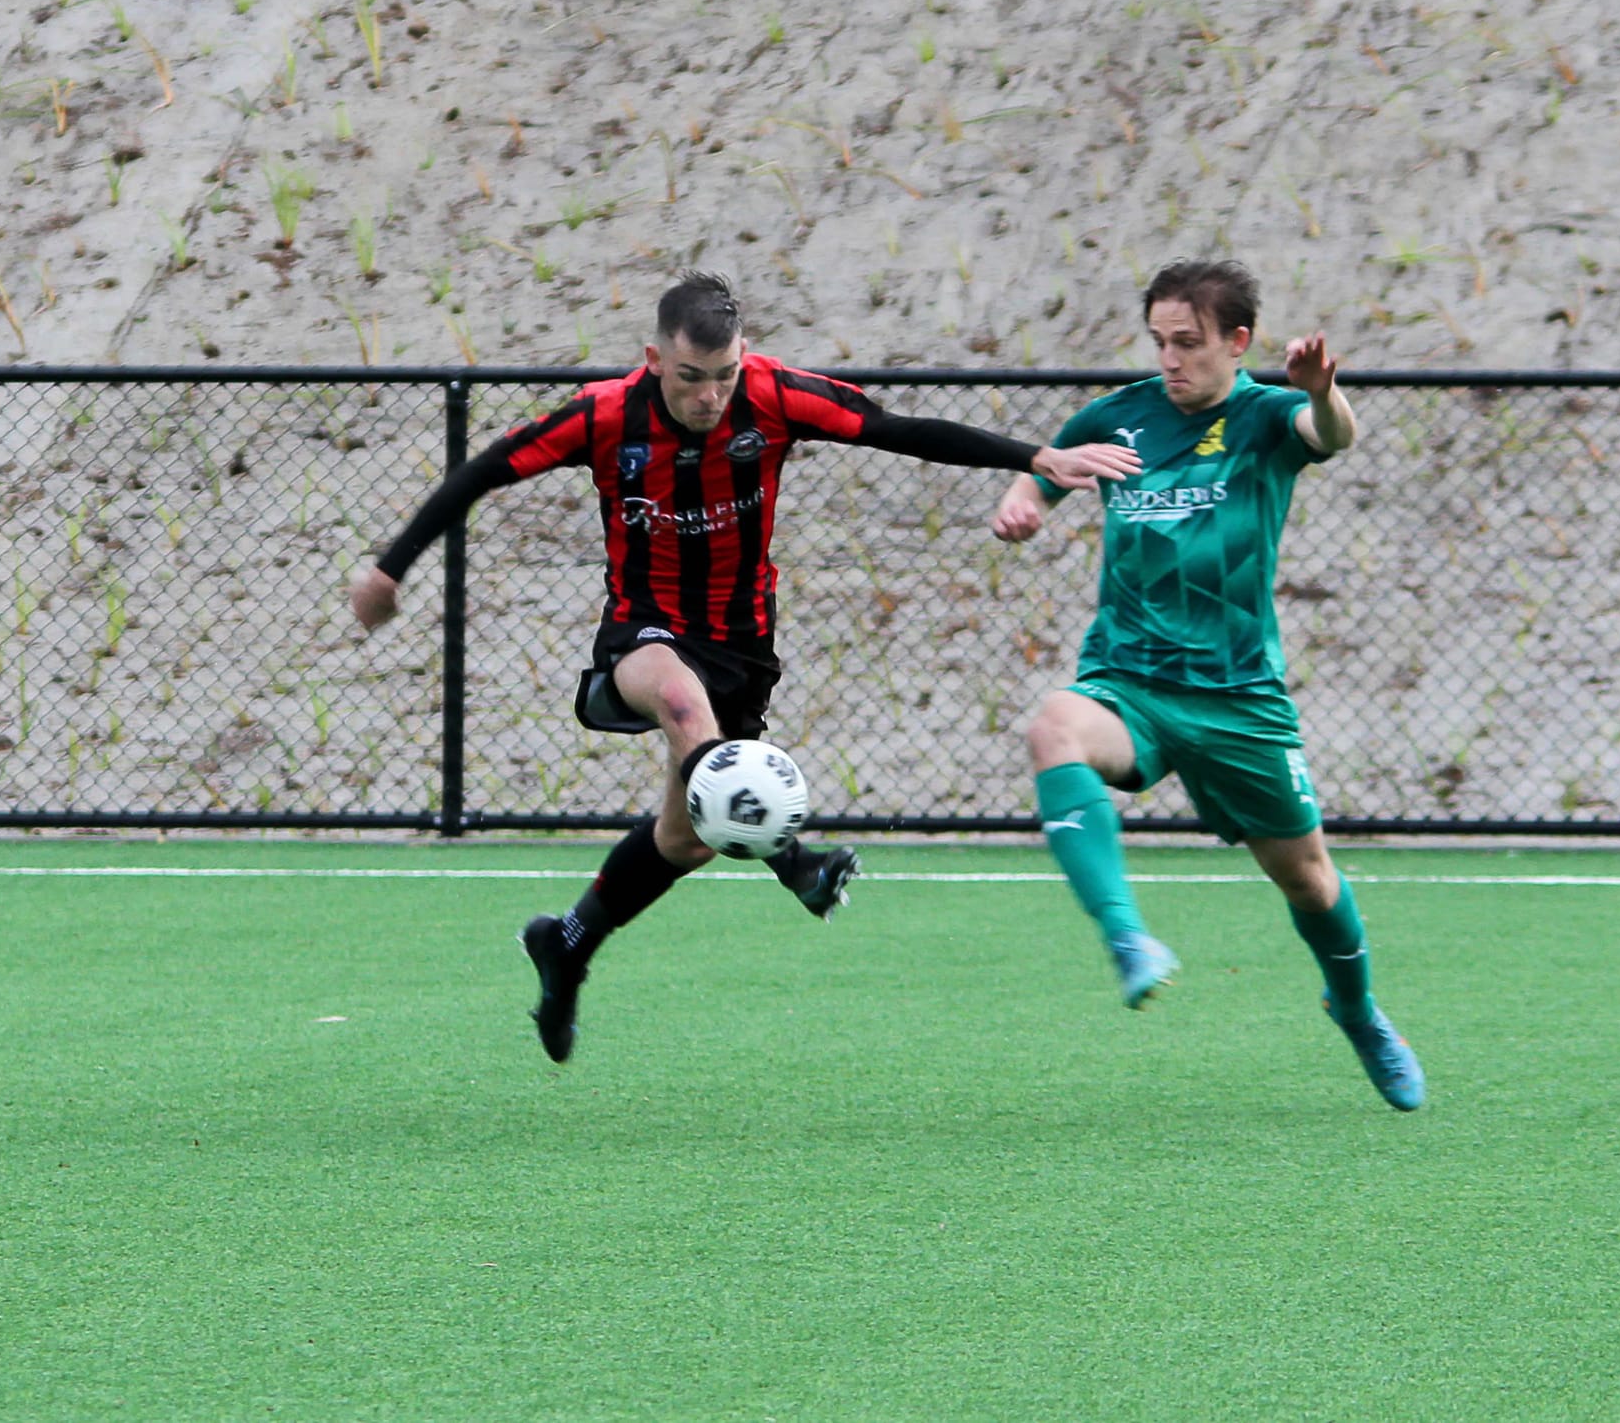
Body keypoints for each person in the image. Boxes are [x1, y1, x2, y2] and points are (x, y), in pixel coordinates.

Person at [352, 271, 1138, 1063]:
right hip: (644, 633)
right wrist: (392, 568)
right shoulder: (604, 416)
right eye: (691, 378)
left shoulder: (776, 396)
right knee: (685, 711)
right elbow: (485, 469)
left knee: (685, 838)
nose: (710, 396)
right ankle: (795, 864)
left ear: (744, 357)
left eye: (724, 375)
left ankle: (567, 943)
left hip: (743, 644)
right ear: (653, 357)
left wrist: (1037, 455)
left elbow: (900, 429)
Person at [990, 259, 1425, 1111]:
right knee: (1052, 728)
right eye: (1159, 342)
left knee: (1309, 880)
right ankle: (1128, 939)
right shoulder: (1119, 417)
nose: (1169, 360)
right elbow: (1044, 470)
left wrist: (1323, 390)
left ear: (1237, 341)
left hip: (1236, 695)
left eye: (1187, 343)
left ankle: (1358, 1009)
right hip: (1130, 680)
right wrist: (1025, 502)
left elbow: (1333, 436)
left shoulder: (1265, 416)